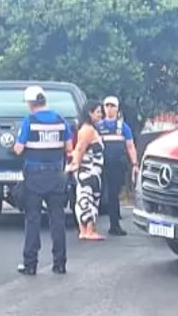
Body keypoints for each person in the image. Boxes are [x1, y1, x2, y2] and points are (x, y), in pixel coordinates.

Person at [12, 85, 73, 275]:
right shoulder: (61, 120)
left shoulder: (29, 121)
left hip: (35, 177)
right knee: (57, 220)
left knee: (33, 220)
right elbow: (69, 149)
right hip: (56, 175)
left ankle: (30, 264)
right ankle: (60, 263)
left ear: (31, 103)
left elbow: (18, 149)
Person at [96, 95, 139, 236]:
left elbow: (130, 146)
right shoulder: (98, 127)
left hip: (117, 165)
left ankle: (114, 224)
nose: (109, 108)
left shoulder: (123, 127)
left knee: (114, 193)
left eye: (112, 106)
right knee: (100, 193)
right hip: (101, 164)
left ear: (117, 108)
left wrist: (134, 164)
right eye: (107, 105)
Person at [66, 101, 105, 241]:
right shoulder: (87, 130)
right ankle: (86, 230)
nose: (101, 115)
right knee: (86, 198)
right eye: (98, 112)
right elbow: (80, 149)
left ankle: (88, 229)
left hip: (93, 172)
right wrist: (75, 165)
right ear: (90, 113)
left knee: (90, 198)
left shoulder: (89, 129)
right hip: (87, 171)